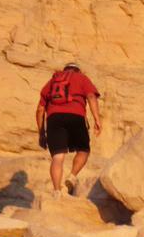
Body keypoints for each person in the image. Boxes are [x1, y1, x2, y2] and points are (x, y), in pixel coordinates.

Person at [36, 63, 101, 198]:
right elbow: (91, 97)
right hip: (75, 116)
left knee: (57, 157)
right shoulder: (81, 78)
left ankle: (56, 192)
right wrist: (97, 119)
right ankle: (72, 176)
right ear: (78, 70)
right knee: (84, 150)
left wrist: (42, 133)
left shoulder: (52, 81)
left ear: (64, 70)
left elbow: (40, 109)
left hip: (54, 118)